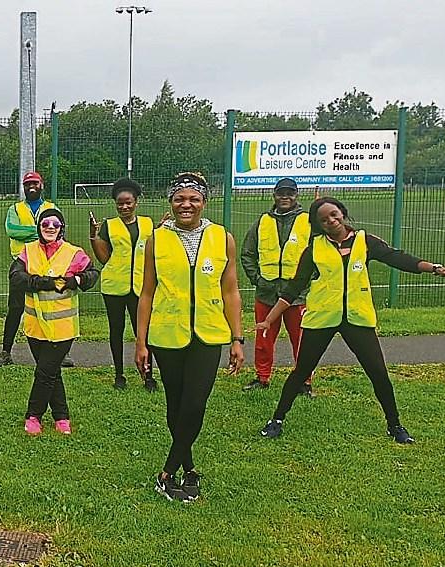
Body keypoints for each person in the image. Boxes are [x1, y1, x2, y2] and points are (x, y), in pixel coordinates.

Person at [258, 197, 445, 444]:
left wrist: (433, 268)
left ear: (342, 212)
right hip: (321, 318)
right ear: (318, 225)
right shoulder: (314, 249)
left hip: (357, 319)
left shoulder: (365, 241)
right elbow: (294, 288)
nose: (331, 220)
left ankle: (395, 426)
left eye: (333, 214)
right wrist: (269, 319)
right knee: (301, 372)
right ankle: (276, 420)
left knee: (378, 373)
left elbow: (397, 258)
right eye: (323, 219)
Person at [135, 172, 245, 503]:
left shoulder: (222, 238)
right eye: (180, 199)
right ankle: (190, 468)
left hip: (209, 333)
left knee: (195, 404)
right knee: (176, 405)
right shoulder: (157, 238)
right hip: (167, 334)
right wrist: (140, 343)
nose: (187, 204)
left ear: (204, 203)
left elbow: (231, 290)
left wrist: (237, 339)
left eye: (193, 199)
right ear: (171, 203)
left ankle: (167, 471)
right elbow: (147, 293)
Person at [10, 208, 98, 435]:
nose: (50, 227)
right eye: (45, 223)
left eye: (55, 224)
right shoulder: (28, 251)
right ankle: (61, 417)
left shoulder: (73, 253)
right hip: (35, 326)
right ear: (39, 227)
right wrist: (45, 283)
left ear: (62, 229)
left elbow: (92, 276)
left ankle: (33, 416)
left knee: (44, 372)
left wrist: (74, 280)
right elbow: (16, 277)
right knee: (50, 372)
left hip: (62, 327)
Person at [0, 171, 74, 368]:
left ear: (41, 185)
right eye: (27, 184)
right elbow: (12, 230)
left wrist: (36, 233)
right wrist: (41, 231)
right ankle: (6, 351)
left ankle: (59, 353)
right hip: (22, 264)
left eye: (34, 183)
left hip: (49, 263)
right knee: (15, 309)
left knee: (52, 308)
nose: (31, 187)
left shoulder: (51, 207)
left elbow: (59, 231)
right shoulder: (15, 209)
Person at [240, 178, 312, 394]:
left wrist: (305, 285)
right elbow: (247, 254)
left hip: (297, 296)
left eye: (290, 193)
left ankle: (305, 381)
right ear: (274, 195)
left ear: (296, 195)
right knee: (263, 338)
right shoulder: (262, 221)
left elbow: (319, 256)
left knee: (301, 340)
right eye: (281, 193)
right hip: (267, 293)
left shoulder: (308, 222)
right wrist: (258, 280)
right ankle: (262, 377)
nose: (285, 197)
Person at [89, 177, 156, 391]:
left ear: (136, 201)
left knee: (142, 332)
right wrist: (94, 238)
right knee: (116, 331)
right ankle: (119, 374)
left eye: (128, 202)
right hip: (114, 287)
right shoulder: (109, 226)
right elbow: (103, 258)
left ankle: (148, 376)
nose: (124, 207)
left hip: (140, 287)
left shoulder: (147, 224)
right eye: (120, 203)